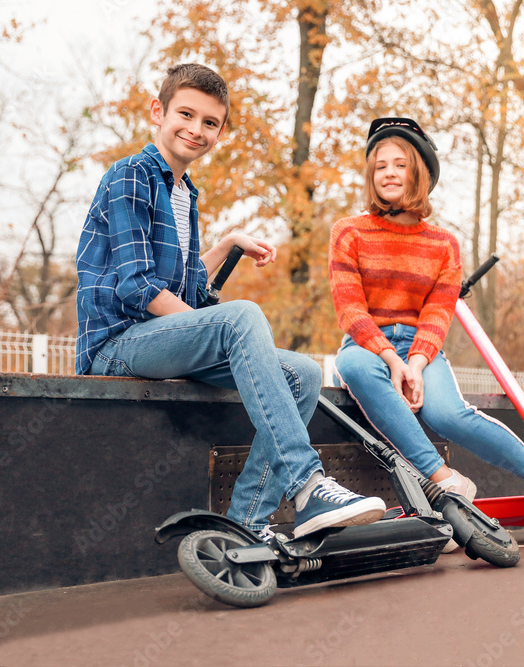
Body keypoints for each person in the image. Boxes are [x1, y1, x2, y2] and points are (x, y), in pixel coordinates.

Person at [75, 63, 385, 539]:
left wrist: (226, 245)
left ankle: (247, 520)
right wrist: (219, 329)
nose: (196, 130)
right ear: (157, 112)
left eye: (210, 122)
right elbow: (136, 288)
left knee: (300, 373)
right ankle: (307, 485)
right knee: (241, 317)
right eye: (186, 114)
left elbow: (186, 289)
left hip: (153, 341)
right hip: (115, 347)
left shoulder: (184, 192)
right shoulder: (132, 175)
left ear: (219, 132)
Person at [328, 117, 524, 549]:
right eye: (379, 166)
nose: (388, 173)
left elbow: (439, 312)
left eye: (399, 164)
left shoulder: (444, 243)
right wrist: (391, 359)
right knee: (350, 363)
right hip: (370, 346)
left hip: (423, 349)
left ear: (420, 173)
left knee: (446, 414)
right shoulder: (349, 231)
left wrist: (418, 363)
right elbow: (350, 307)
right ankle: (448, 483)